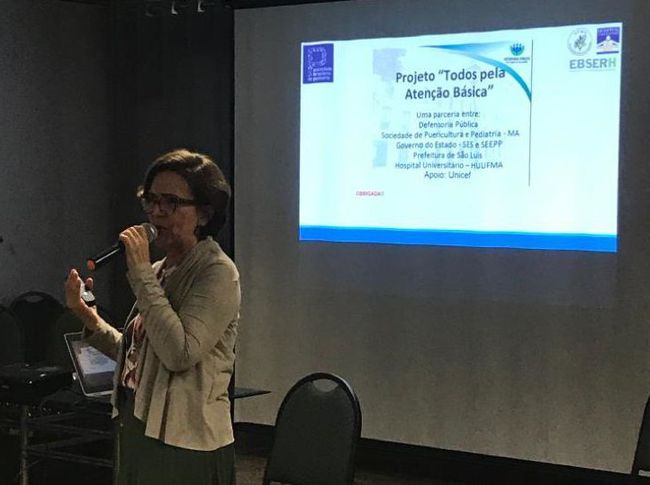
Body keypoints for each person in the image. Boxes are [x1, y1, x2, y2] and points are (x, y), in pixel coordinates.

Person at [64, 149, 240, 485]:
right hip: (139, 428)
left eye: (170, 202)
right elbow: (141, 355)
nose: (156, 212)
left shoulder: (217, 272)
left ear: (204, 214)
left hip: (185, 442)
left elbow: (178, 353)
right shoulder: (160, 271)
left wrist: (141, 273)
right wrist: (88, 317)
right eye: (151, 200)